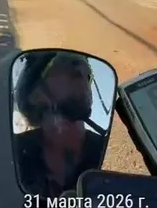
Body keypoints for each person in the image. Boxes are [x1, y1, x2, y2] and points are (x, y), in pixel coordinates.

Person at [13, 51, 107, 198]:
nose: (83, 74)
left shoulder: (103, 150)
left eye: (88, 76)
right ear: (36, 95)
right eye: (68, 65)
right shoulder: (15, 151)